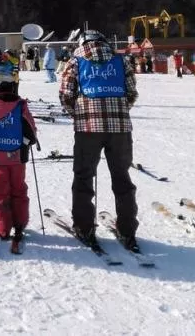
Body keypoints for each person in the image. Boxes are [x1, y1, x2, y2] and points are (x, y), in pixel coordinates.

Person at [59, 30, 139, 250]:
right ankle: (127, 229)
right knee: (122, 177)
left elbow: (66, 95)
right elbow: (131, 92)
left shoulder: (75, 62)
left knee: (84, 177)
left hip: (87, 129)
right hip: (120, 129)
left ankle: (84, 226)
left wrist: (78, 115)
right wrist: (120, 111)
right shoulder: (121, 60)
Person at [0, 63, 38, 242]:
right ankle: (20, 221)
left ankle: (2, 226)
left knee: (0, 190)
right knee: (18, 188)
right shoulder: (19, 105)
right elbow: (30, 131)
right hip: (18, 155)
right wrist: (25, 141)